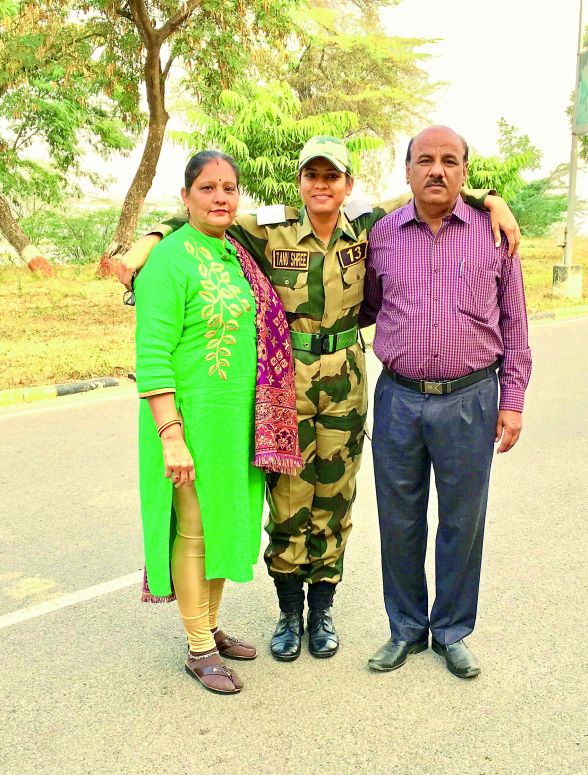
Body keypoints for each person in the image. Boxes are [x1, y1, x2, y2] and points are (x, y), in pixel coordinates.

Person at [119, 135, 521, 663]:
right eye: (313, 175)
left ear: (347, 184)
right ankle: (289, 614)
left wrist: (493, 199)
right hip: (285, 379)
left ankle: (323, 611)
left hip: (346, 377)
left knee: (334, 499)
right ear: (300, 183)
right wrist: (149, 237)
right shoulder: (269, 224)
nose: (322, 185)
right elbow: (205, 218)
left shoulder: (370, 224)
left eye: (333, 176)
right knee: (287, 500)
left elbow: (436, 194)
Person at [362, 126, 532, 679]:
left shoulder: (494, 233)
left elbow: (515, 321)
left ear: (464, 172)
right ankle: (406, 628)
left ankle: (454, 631)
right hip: (399, 401)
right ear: (407, 170)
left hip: (471, 398)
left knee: (463, 521)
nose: (437, 170)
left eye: (449, 161)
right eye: (425, 160)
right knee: (399, 520)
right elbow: (366, 307)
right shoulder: (381, 236)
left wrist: (514, 398)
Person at [135, 150, 301, 694]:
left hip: (235, 422)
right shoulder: (169, 261)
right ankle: (198, 646)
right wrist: (170, 435)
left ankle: (207, 624)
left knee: (225, 525)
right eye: (207, 188)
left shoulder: (235, 255)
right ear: (185, 198)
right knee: (195, 531)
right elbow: (153, 353)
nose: (221, 197)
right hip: (190, 422)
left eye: (229, 188)